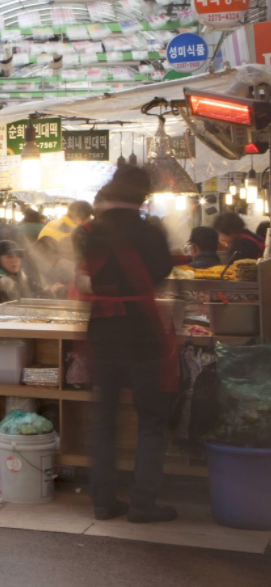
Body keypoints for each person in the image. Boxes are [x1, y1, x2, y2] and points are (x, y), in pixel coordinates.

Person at [79, 166, 177, 523]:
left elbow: (85, 276)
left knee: (102, 421)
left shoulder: (91, 233)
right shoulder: (150, 232)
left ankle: (103, 502)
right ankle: (143, 504)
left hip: (102, 333)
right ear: (142, 197)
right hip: (141, 332)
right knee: (151, 420)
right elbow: (162, 272)